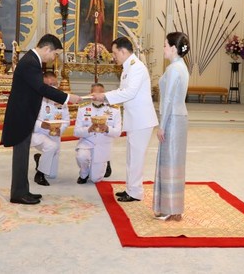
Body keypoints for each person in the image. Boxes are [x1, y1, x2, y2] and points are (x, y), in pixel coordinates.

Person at [1, 34, 81, 205]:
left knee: (22, 156)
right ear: (47, 49)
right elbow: (41, 88)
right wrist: (67, 97)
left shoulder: (31, 60)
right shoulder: (31, 63)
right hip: (22, 116)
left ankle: (23, 190)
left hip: (24, 114)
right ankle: (18, 194)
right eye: (55, 54)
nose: (54, 58)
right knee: (21, 156)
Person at [90, 36, 158, 202]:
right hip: (135, 119)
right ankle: (131, 189)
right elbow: (123, 91)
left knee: (136, 158)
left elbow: (129, 93)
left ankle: (135, 192)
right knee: (131, 157)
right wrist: (104, 97)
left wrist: (104, 96)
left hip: (141, 120)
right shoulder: (128, 67)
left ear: (123, 51)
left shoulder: (136, 68)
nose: (114, 56)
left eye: (115, 53)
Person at [153, 32, 190, 222]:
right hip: (179, 117)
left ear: (174, 49)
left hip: (173, 119)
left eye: (165, 45)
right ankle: (173, 207)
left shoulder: (174, 69)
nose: (164, 48)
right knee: (175, 162)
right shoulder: (181, 67)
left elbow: (167, 100)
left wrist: (162, 125)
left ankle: (171, 208)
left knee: (170, 162)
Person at [74, 83, 122, 184]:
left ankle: (105, 162)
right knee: (81, 156)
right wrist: (89, 129)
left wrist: (107, 129)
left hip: (103, 145)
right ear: (89, 94)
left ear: (104, 94)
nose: (96, 96)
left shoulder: (114, 110)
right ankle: (84, 173)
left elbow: (117, 133)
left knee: (95, 179)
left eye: (99, 93)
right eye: (93, 93)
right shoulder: (83, 109)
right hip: (87, 142)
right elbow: (76, 132)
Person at [30, 72, 70, 186]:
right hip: (38, 134)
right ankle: (40, 174)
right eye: (49, 85)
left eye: (54, 84)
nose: (52, 87)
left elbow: (66, 119)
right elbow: (28, 119)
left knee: (52, 175)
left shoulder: (60, 98)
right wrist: (40, 125)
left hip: (54, 135)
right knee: (51, 147)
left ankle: (40, 159)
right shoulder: (36, 98)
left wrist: (60, 130)